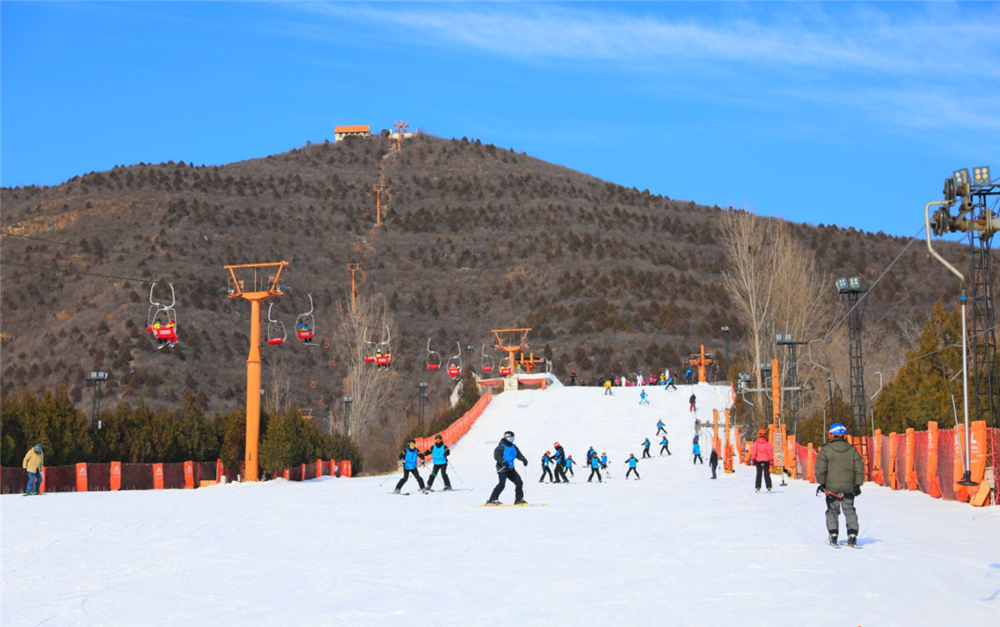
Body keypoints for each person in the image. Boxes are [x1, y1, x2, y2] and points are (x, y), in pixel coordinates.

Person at [815, 423, 865, 547]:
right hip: (849, 487)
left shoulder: (825, 450)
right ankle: (852, 534)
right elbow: (860, 468)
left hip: (831, 488)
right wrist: (857, 484)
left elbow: (820, 469)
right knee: (849, 510)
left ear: (831, 434)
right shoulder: (852, 449)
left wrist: (822, 483)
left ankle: (833, 535)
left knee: (832, 511)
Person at [486, 430, 528, 505]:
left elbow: (518, 454)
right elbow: (496, 456)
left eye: (513, 439)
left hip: (511, 469)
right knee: (502, 484)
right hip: (502, 469)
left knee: (519, 482)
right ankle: (492, 499)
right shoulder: (501, 447)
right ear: (506, 438)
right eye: (511, 439)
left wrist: (523, 459)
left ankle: (519, 499)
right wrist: (503, 462)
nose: (512, 441)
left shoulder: (513, 446)